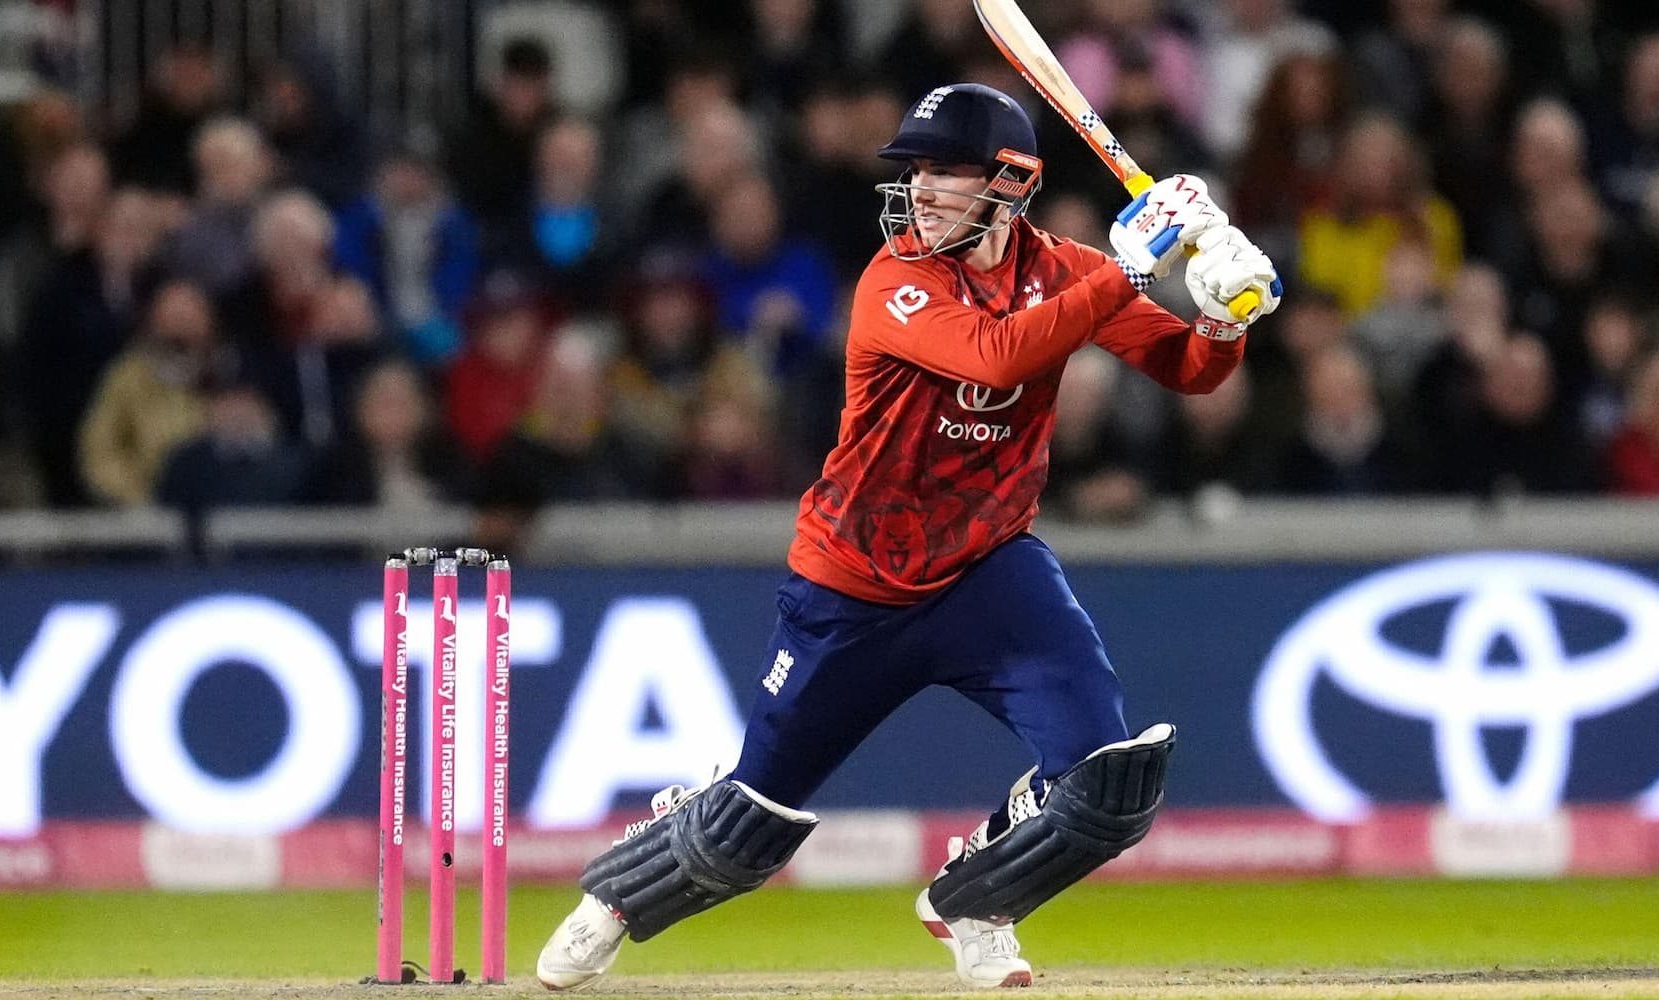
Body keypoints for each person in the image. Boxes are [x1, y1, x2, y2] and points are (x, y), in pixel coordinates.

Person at [534, 82, 1280, 991]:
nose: (922, 192)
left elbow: (1190, 372)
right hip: (854, 583)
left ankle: (976, 902)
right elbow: (999, 355)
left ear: (1009, 184)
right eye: (917, 173)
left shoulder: (1063, 269)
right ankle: (612, 899)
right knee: (750, 825)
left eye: (947, 174)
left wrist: (1220, 312)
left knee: (1107, 783)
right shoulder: (896, 281)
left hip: (988, 570)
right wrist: (1126, 270)